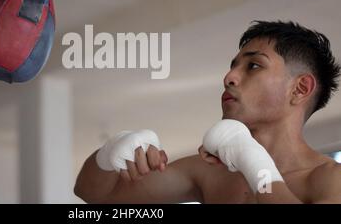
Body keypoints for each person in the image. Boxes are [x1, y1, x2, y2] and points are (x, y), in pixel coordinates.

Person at [74, 20, 341, 204]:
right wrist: (110, 154)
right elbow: (93, 193)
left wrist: (253, 161)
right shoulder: (209, 172)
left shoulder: (330, 179)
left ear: (300, 88)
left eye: (254, 66)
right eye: (233, 66)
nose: (229, 77)